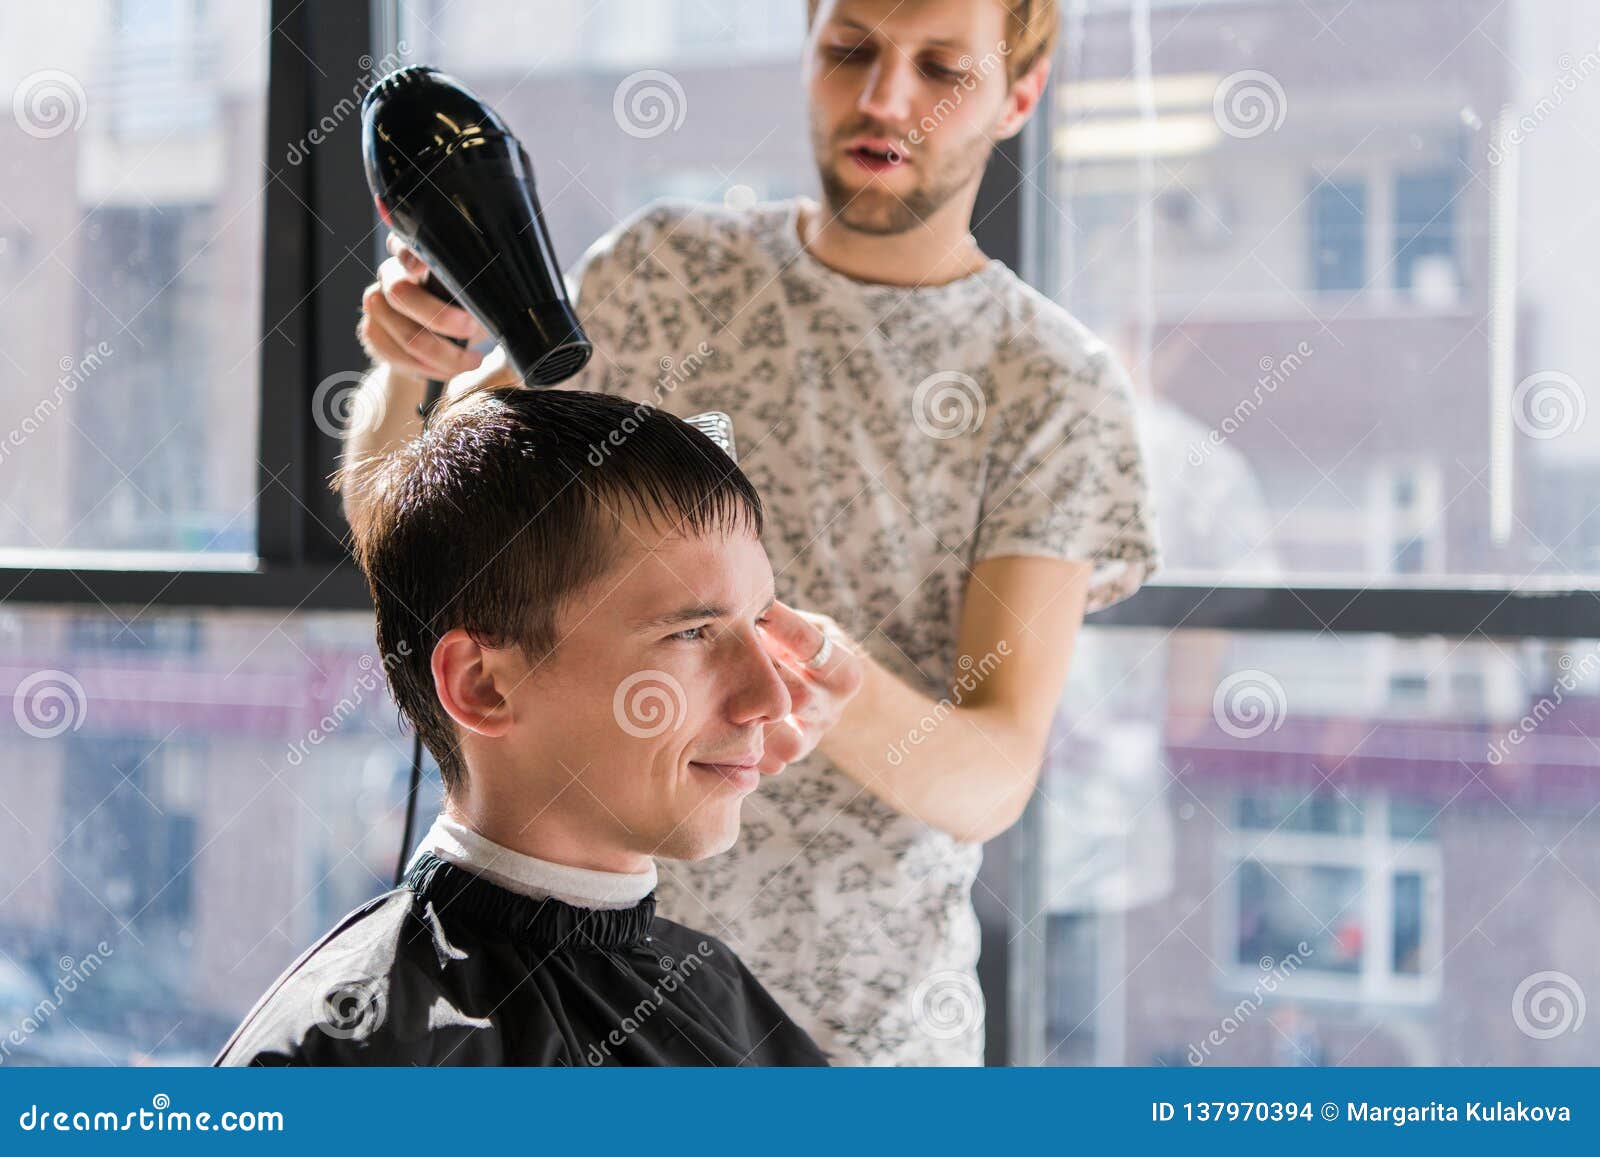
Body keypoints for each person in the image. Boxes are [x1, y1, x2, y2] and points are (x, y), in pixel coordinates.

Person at [343, 0, 1161, 1065]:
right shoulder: (662, 273)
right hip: (578, 998)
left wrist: (834, 684)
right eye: (849, 50)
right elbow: (387, 517)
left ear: (1019, 93)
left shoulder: (1049, 385)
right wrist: (416, 359)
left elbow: (993, 776)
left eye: (940, 69)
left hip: (862, 1038)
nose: (881, 98)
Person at [216, 388, 827, 1066]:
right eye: (691, 632)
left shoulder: (720, 997)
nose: (768, 696)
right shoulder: (342, 1057)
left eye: (759, 624)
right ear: (483, 683)